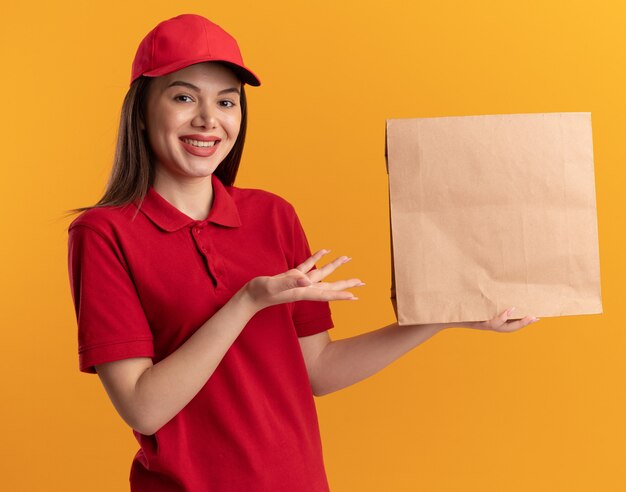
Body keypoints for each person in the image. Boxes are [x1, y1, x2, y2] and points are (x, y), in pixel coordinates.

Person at [66, 13, 540, 492]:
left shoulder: (273, 216)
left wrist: (442, 315)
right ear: (142, 113)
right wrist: (247, 301)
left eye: (226, 101)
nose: (209, 119)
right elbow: (143, 407)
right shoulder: (103, 234)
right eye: (184, 97)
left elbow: (318, 369)